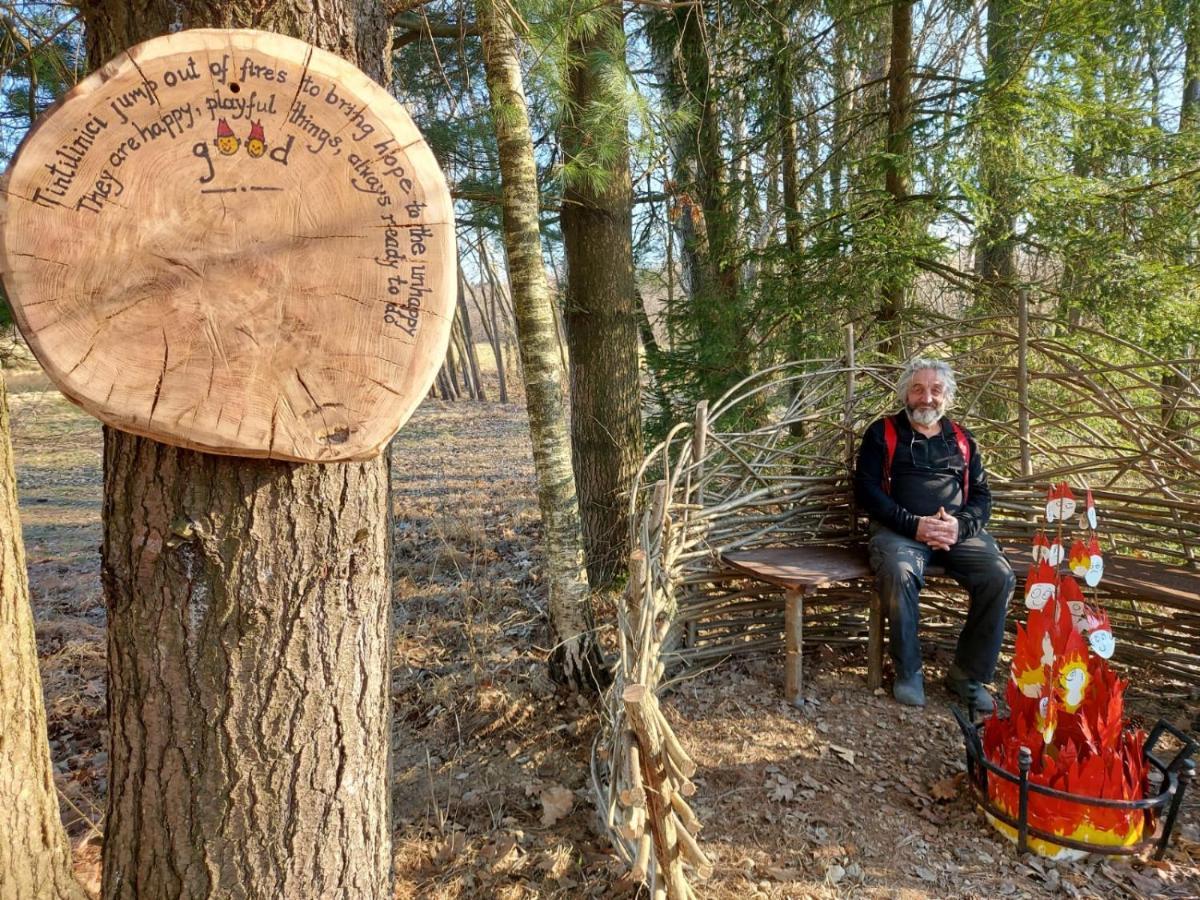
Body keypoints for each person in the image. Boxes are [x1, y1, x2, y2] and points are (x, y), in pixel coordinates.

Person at [853, 358, 1015, 708]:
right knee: (899, 571)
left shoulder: (962, 440)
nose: (927, 398)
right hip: (899, 531)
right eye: (918, 389)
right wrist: (914, 524)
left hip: (956, 532)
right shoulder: (882, 433)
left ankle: (967, 676)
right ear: (905, 394)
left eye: (936, 390)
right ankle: (909, 671)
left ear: (947, 397)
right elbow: (866, 491)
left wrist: (959, 527)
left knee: (998, 575)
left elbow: (983, 497)